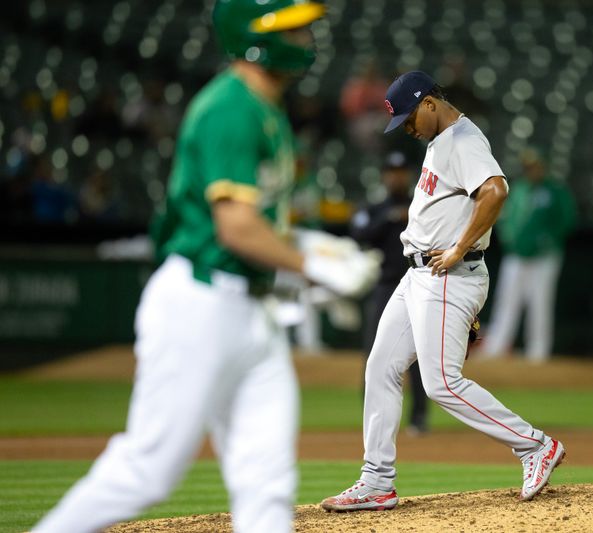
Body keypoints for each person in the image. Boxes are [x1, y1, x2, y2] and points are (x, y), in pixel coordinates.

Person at [31, 2, 379, 532]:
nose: (308, 37)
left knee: (267, 479)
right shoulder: (231, 109)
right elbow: (234, 228)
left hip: (252, 314)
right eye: (293, 27)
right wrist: (310, 264)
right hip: (200, 305)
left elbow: (260, 223)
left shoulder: (266, 107)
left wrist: (312, 256)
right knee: (146, 472)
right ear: (257, 38)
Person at [320, 71, 566, 512]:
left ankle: (535, 446)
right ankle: (376, 481)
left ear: (430, 103)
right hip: (420, 276)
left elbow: (496, 190)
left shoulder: (462, 140)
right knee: (380, 367)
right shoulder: (441, 141)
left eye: (411, 118)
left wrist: (459, 247)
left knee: (441, 385)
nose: (408, 129)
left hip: (447, 276)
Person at [350, 151, 429, 435]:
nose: (396, 176)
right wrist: (390, 218)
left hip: (420, 285)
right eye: (391, 171)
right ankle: (372, 419)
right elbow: (359, 235)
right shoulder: (375, 208)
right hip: (385, 286)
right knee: (375, 352)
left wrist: (406, 215)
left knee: (419, 354)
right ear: (384, 175)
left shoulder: (421, 204)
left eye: (401, 171)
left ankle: (419, 418)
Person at [482, 147, 577, 362]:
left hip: (544, 257)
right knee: (507, 300)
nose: (532, 170)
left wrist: (549, 239)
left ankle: (538, 351)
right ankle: (496, 347)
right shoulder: (519, 190)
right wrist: (509, 237)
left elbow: (568, 219)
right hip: (516, 255)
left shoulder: (555, 191)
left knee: (540, 302)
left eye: (535, 166)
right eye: (528, 167)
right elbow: (505, 218)